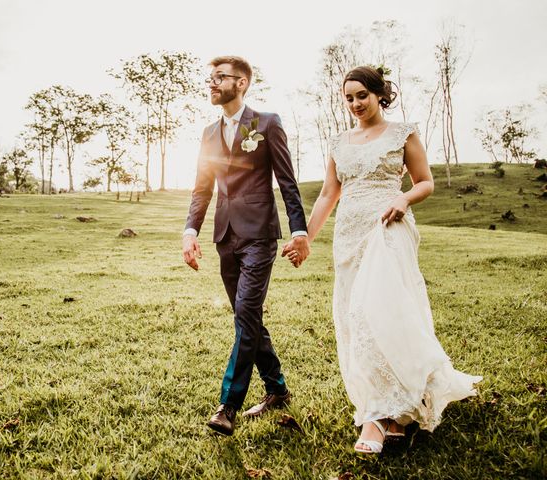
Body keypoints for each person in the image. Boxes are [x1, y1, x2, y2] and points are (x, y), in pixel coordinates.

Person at [284, 66, 482, 453]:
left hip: (389, 229)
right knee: (356, 322)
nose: (356, 104)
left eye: (362, 95)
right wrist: (306, 236)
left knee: (381, 313)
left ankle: (380, 418)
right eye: (349, 97)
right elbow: (328, 194)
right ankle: (391, 409)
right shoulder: (339, 142)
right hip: (349, 237)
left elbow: (425, 181)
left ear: (379, 95)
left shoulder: (402, 132)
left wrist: (403, 198)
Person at [182, 56, 310, 436]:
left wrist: (299, 230)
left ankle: (228, 404)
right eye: (210, 78)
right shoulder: (208, 133)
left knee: (246, 311)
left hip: (259, 235)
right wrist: (190, 231)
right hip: (225, 235)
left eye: (219, 78)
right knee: (247, 317)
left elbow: (287, 181)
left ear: (241, 84)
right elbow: (202, 188)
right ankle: (278, 390)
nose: (212, 83)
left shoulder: (266, 123)